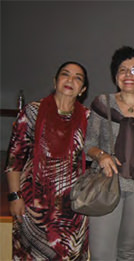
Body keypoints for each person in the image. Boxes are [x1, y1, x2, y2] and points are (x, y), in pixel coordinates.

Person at [84, 46, 134, 260]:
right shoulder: (102, 104)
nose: (129, 74)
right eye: (123, 70)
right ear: (115, 76)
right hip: (106, 184)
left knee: (129, 252)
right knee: (102, 254)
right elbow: (88, 143)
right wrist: (101, 155)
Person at [5, 61, 90, 260]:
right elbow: (14, 157)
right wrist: (14, 196)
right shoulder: (32, 112)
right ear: (55, 81)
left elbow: (97, 152)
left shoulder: (88, 117)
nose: (70, 80)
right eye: (65, 74)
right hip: (33, 207)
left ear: (83, 89)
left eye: (78, 78)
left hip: (73, 210)